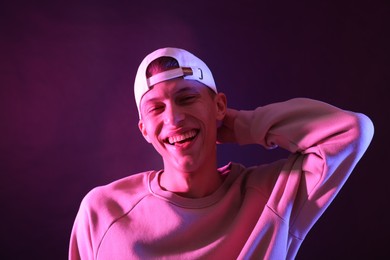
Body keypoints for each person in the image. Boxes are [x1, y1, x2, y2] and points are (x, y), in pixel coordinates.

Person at [69, 47, 374, 260]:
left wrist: (240, 125)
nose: (173, 119)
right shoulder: (102, 211)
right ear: (144, 130)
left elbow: (352, 131)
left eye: (187, 99)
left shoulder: (272, 195)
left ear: (218, 106)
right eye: (157, 109)